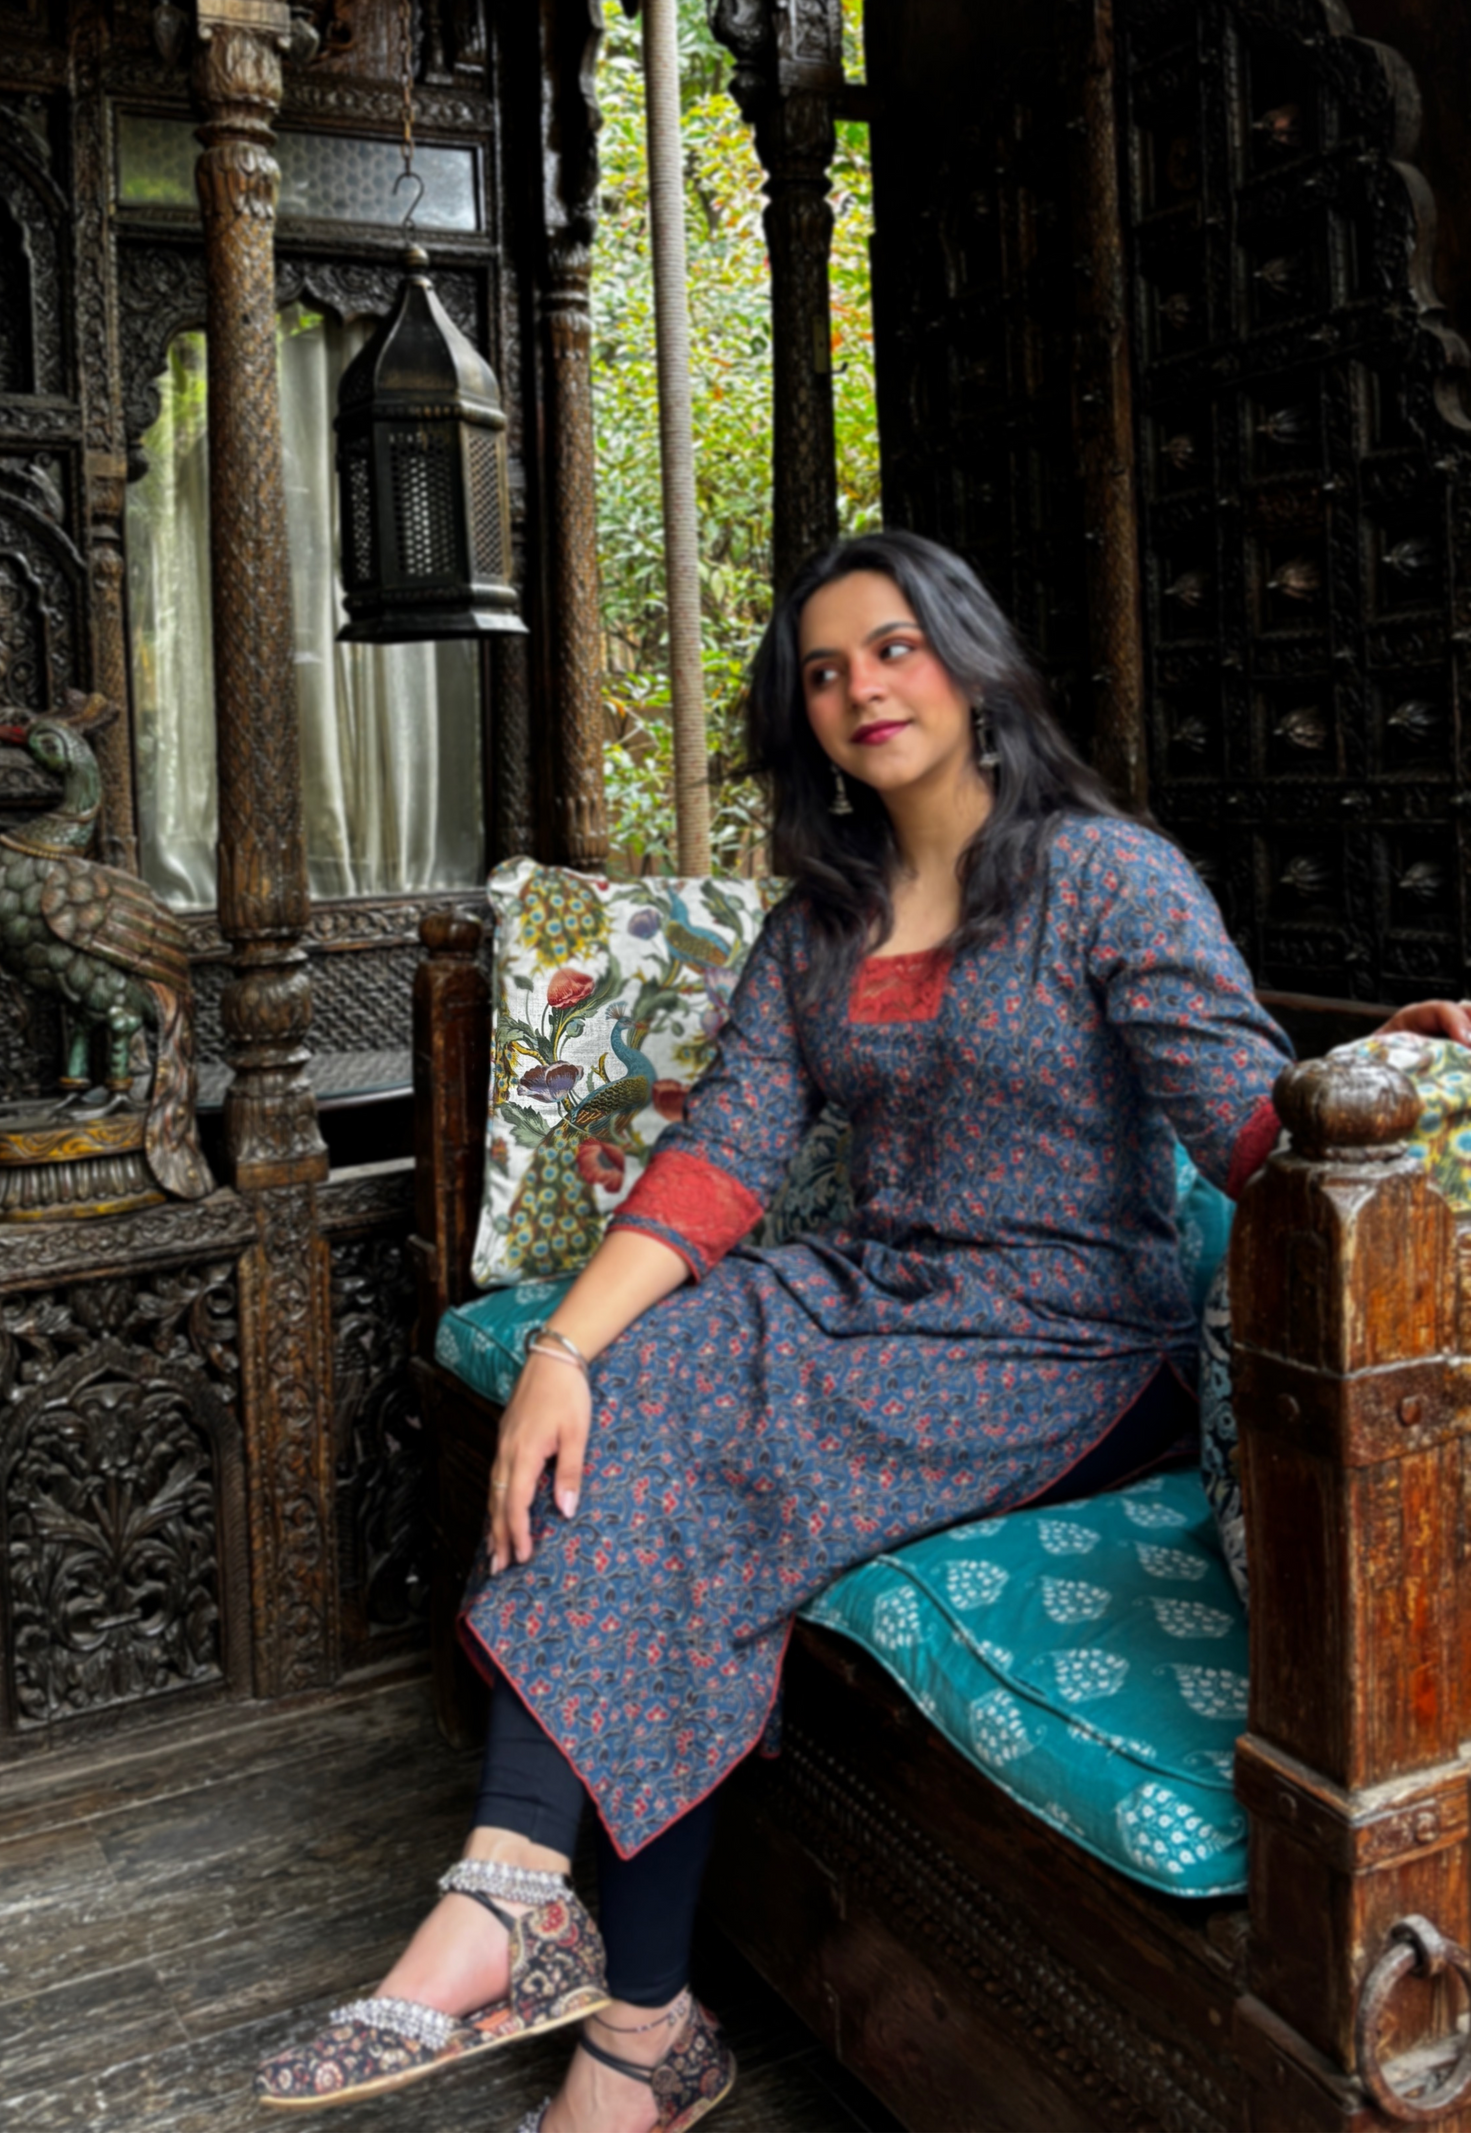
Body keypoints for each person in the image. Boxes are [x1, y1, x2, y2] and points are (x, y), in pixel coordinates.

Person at [256, 531, 1471, 2132]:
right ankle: (579, 1959)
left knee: (710, 1460)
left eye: (894, 647)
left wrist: (1390, 1081)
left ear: (971, 662)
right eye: (824, 671)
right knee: (638, 1399)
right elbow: (723, 1158)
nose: (862, 689)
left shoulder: (1105, 875)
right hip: (882, 1299)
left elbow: (1253, 1126)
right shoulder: (822, 922)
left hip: (1077, 1343)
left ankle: (575, 1978)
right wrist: (559, 1354)